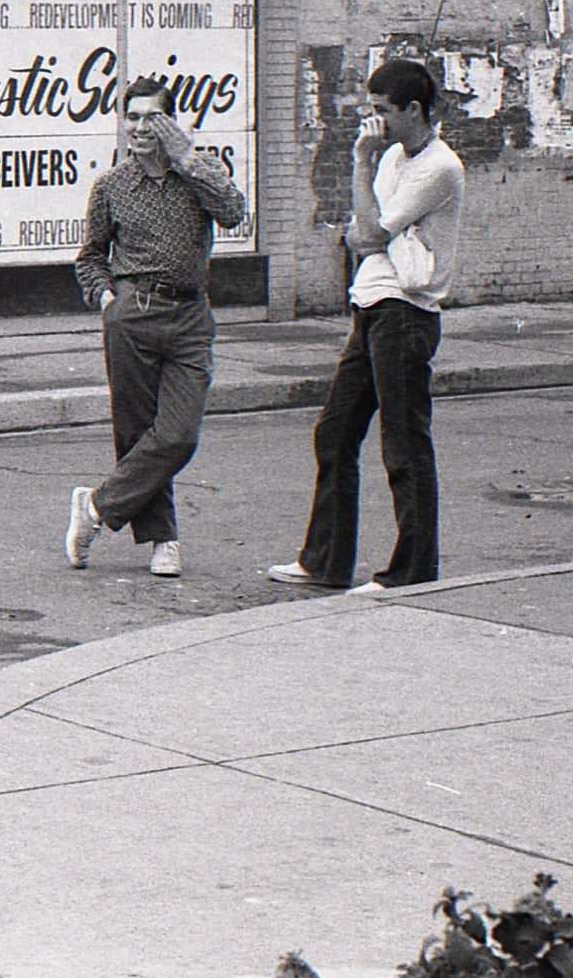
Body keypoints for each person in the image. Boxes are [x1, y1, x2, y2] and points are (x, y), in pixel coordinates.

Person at [268, 57, 465, 592]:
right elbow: (361, 232)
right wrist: (370, 212)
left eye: (382, 111)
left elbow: (372, 232)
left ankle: (412, 569)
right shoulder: (395, 157)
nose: (373, 123)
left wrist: (359, 164)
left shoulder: (438, 167)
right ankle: (325, 561)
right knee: (334, 432)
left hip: (406, 310)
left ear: (414, 110)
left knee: (404, 442)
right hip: (373, 304)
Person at [65, 76, 247, 577]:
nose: (142, 127)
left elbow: (234, 212)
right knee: (137, 431)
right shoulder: (111, 186)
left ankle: (96, 507)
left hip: (189, 315)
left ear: (171, 122)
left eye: (153, 117)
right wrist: (105, 296)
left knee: (179, 433)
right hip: (132, 313)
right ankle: (162, 539)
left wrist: (188, 160)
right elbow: (90, 256)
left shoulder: (199, 171)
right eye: (134, 117)